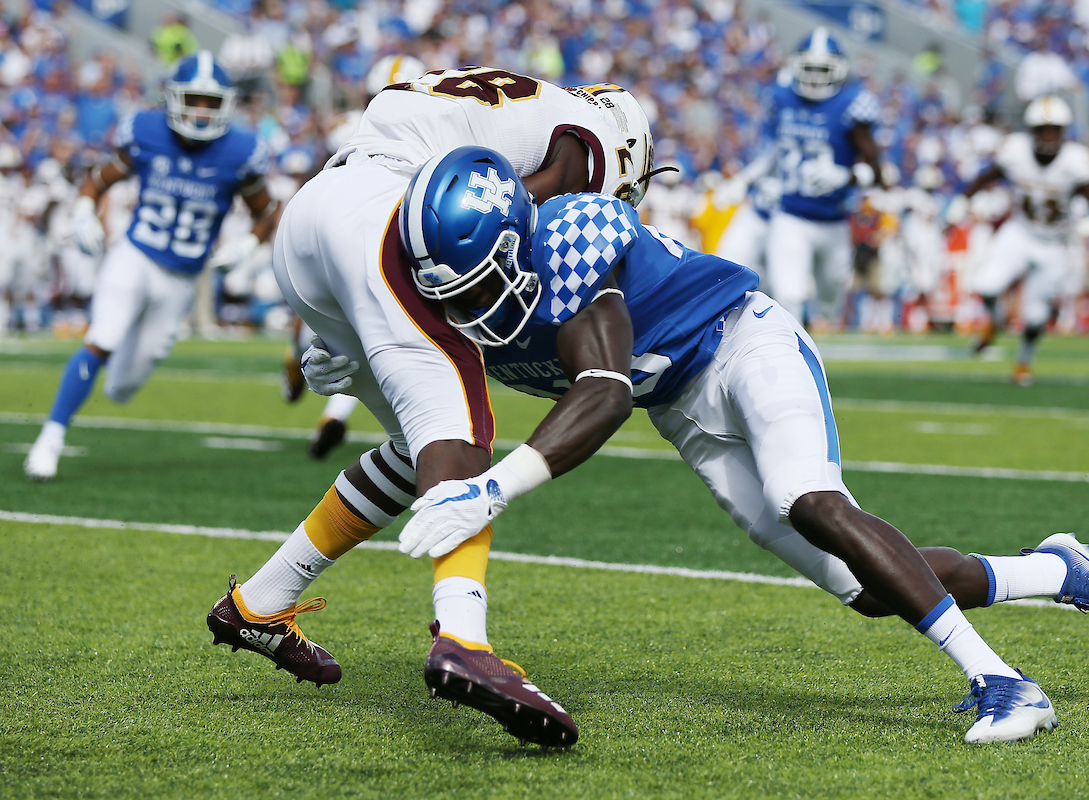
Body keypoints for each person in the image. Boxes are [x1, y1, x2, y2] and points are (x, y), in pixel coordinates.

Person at [356, 145, 1089, 745]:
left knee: (809, 500)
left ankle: (1005, 682)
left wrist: (493, 488)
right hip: (681, 404)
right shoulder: (454, 304)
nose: (471, 305)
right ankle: (1058, 570)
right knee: (864, 589)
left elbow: (601, 393)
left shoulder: (570, 237)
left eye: (482, 279)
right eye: (450, 291)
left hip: (742, 342)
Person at [205, 69, 659, 749]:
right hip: (390, 222)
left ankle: (258, 603)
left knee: (412, 445)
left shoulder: (515, 102)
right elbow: (512, 213)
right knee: (462, 435)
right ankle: (464, 639)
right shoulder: (588, 134)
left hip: (315, 220)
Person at [24, 52, 277, 480]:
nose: (200, 111)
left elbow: (267, 210)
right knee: (102, 337)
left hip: (181, 281)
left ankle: (117, 349)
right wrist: (85, 210)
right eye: (192, 99)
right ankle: (49, 438)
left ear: (226, 105)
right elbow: (101, 178)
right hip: (136, 255)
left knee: (121, 389)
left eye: (210, 102)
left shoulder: (240, 150)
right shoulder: (146, 130)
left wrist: (249, 244)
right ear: (173, 99)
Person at [279, 53, 430, 460]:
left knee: (368, 332)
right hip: (344, 231)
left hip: (383, 235)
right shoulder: (350, 131)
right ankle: (298, 358)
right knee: (339, 325)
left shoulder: (431, 136)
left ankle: (333, 415)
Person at [949, 94, 1089, 385]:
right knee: (986, 285)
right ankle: (995, 321)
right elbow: (986, 177)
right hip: (1020, 232)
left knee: (1035, 316)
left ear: (1064, 131)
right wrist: (963, 201)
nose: (1048, 135)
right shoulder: (1016, 150)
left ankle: (1023, 361)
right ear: (1031, 130)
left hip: (1054, 244)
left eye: (1054, 129)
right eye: (1042, 129)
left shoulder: (1076, 160)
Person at [730, 27, 884, 329]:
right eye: (809, 68)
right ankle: (794, 361)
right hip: (791, 215)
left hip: (834, 220)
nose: (814, 77)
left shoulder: (853, 103)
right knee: (789, 295)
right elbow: (774, 149)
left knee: (831, 299)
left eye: (822, 69)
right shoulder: (782, 97)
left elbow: (876, 170)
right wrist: (750, 179)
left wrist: (846, 176)